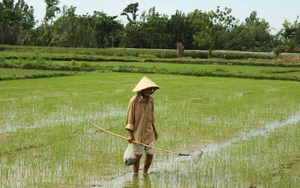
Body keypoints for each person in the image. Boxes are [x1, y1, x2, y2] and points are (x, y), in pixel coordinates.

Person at [125, 76, 159, 175]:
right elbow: (130, 119)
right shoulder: (134, 101)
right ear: (142, 90)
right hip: (137, 135)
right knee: (137, 156)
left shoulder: (151, 100)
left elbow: (151, 118)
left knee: (150, 154)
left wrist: (155, 131)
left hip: (149, 133)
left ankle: (145, 173)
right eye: (147, 89)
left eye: (150, 89)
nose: (149, 91)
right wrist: (130, 135)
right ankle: (135, 175)